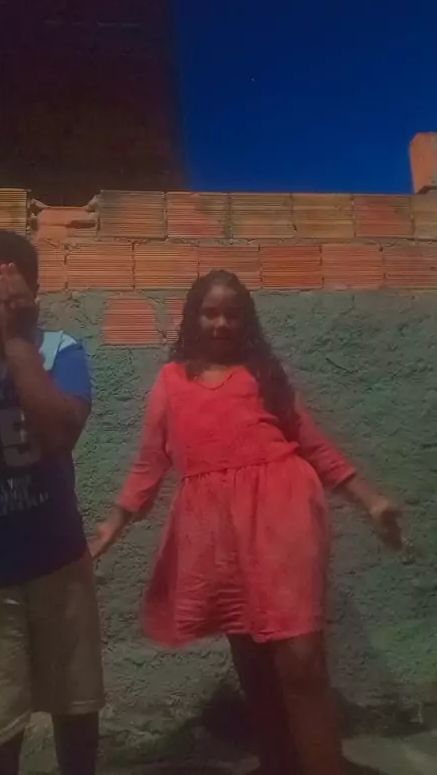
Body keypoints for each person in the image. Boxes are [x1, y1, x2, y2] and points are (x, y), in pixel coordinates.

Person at [90, 269, 402, 775]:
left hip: (283, 516)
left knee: (300, 659)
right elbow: (150, 462)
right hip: (215, 533)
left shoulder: (264, 375)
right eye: (209, 313)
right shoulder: (171, 382)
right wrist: (114, 522)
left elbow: (315, 445)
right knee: (252, 657)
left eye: (232, 314)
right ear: (192, 318)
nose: (220, 323)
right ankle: (278, 765)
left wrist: (370, 501)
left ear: (246, 320)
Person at [0, 230, 104, 775]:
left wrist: (17, 342)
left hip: (58, 562)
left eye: (9, 289)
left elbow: (58, 433)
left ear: (34, 293)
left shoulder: (61, 349)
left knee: (76, 710)